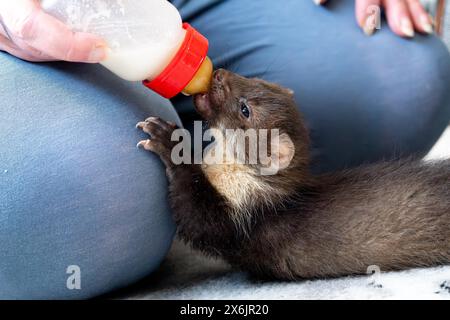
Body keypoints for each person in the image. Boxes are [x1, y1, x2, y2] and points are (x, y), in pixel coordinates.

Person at [0, 0, 449, 299]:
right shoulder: (259, 177)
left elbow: (204, 229)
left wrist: (183, 169)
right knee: (94, 186)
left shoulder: (250, 201)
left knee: (403, 81)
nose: (226, 78)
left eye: (245, 108)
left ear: (269, 157)